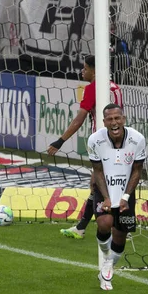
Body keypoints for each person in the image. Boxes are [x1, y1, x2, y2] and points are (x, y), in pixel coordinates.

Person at [46, 55, 123, 239]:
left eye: (85, 68)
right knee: (100, 183)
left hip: (103, 143)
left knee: (100, 184)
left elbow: (79, 119)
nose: (83, 71)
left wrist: (60, 141)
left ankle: (118, 227)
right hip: (120, 141)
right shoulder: (115, 87)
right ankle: (81, 227)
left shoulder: (93, 88)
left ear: (94, 70)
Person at [88, 103, 146, 291]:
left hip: (125, 191)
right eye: (110, 119)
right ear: (104, 122)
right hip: (103, 187)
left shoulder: (137, 139)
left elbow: (137, 171)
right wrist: (105, 198)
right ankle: (106, 259)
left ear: (124, 119)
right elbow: (97, 171)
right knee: (104, 223)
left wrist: (126, 196)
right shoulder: (95, 140)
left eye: (117, 118)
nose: (114, 122)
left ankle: (108, 265)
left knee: (120, 236)